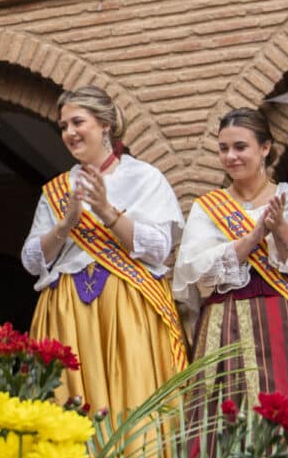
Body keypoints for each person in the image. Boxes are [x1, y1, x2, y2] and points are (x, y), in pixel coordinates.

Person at [21, 85, 188, 417]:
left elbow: (159, 249)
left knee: (133, 399)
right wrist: (65, 224)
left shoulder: (144, 177)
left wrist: (107, 212)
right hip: (66, 311)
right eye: (64, 126)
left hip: (129, 307)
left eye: (78, 122)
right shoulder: (57, 189)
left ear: (105, 125)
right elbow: (31, 260)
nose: (70, 132)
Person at [172, 109, 288, 426]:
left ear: (265, 148)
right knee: (231, 414)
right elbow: (193, 268)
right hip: (226, 320)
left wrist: (281, 229)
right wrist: (253, 237)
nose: (230, 156)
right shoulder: (207, 206)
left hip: (287, 318)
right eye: (223, 148)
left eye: (240, 147)